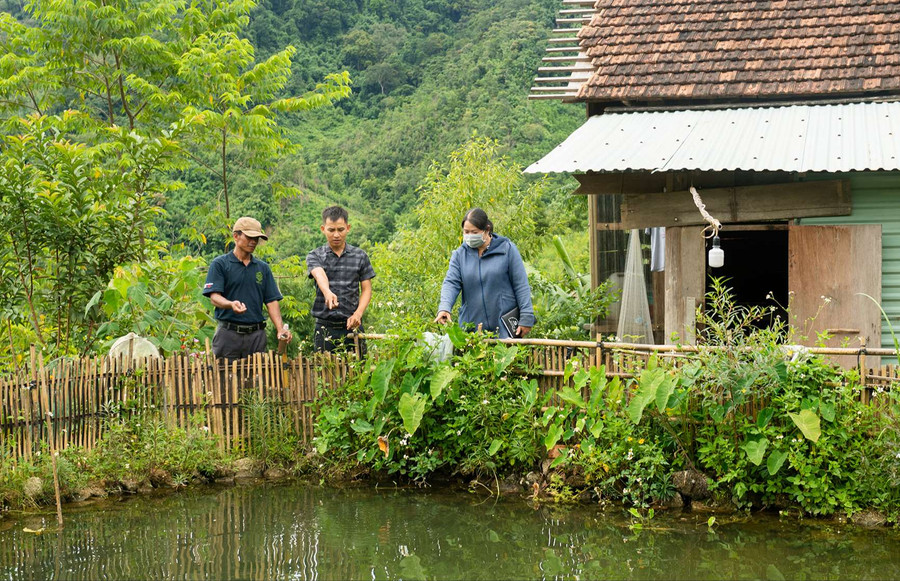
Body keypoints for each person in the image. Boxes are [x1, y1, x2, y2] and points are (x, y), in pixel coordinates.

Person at [435, 208, 536, 339]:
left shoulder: (507, 249)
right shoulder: (460, 255)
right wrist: (444, 307)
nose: (470, 236)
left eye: (474, 232)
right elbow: (451, 283)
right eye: (466, 232)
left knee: (504, 358)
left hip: (504, 327)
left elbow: (521, 284)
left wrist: (526, 317)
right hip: (472, 329)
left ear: (487, 230)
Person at [203, 216, 292, 358]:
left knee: (257, 378)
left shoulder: (262, 268)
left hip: (256, 335)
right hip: (228, 334)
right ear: (236, 236)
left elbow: (271, 301)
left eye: (256, 238)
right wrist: (231, 304)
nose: (253, 242)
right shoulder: (220, 264)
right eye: (249, 237)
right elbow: (214, 297)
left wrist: (280, 329)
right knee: (225, 377)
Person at [306, 206, 375, 355]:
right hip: (325, 327)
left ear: (348, 228)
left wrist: (358, 314)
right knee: (324, 373)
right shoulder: (315, 255)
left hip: (352, 326)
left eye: (340, 229)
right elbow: (319, 274)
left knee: (359, 373)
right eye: (331, 230)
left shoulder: (360, 256)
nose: (336, 235)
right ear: (323, 229)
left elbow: (367, 289)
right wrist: (327, 292)